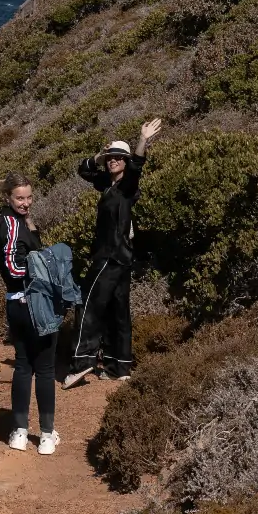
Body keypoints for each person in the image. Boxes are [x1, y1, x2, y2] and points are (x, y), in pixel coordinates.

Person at [64, 117, 163, 387]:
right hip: (121, 258)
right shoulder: (107, 184)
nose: (113, 161)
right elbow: (83, 170)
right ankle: (118, 366)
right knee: (117, 310)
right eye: (111, 158)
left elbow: (137, 167)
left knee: (88, 304)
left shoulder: (127, 186)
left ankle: (81, 362)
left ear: (126, 160)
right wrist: (100, 154)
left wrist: (142, 141)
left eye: (118, 157)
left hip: (109, 256)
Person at [0, 171, 59, 454]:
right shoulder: (10, 223)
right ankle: (44, 435)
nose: (26, 202)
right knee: (43, 368)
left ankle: (19, 432)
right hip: (33, 302)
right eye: (20, 198)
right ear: (8, 197)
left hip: (15, 303)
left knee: (23, 365)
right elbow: (12, 265)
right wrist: (44, 275)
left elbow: (27, 249)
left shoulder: (15, 221)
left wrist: (31, 227)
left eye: (29, 197)